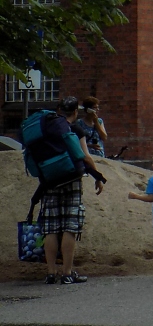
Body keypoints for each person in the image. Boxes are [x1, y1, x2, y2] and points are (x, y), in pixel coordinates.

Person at [35, 97, 107, 284]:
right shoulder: (76, 129)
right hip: (72, 180)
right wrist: (98, 177)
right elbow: (85, 156)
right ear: (75, 112)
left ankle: (51, 273)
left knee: (51, 227)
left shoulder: (47, 127)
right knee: (70, 225)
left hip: (50, 181)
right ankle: (67, 273)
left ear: (59, 110)